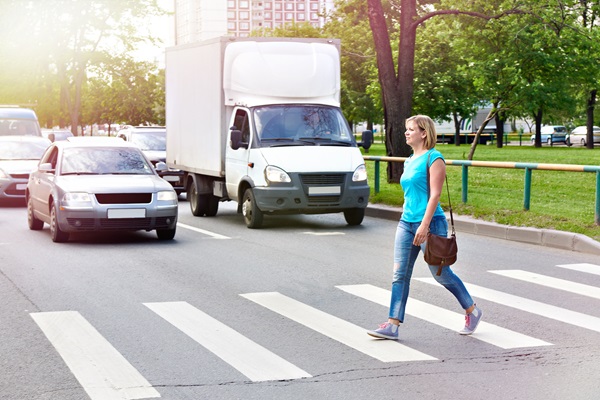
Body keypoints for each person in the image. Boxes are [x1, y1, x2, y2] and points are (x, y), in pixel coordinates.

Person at [367, 115, 482, 340]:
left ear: (424, 133)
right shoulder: (409, 160)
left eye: (411, 129)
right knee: (399, 274)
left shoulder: (434, 158)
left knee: (440, 274)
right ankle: (392, 324)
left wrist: (424, 225)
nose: (406, 133)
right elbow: (411, 193)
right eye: (406, 129)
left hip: (430, 224)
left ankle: (472, 310)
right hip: (406, 223)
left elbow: (435, 195)